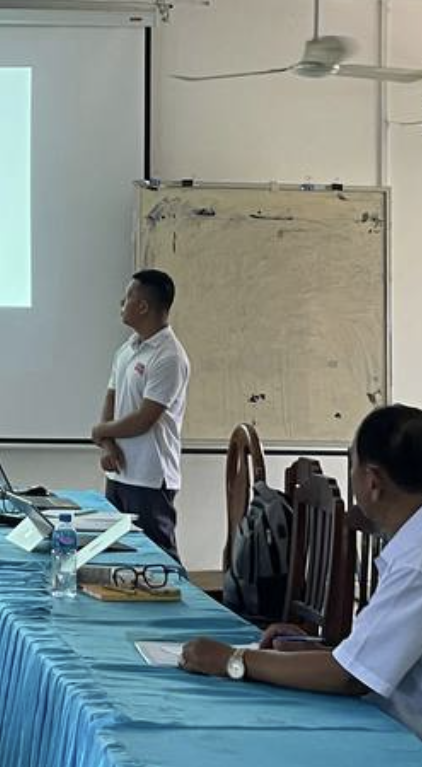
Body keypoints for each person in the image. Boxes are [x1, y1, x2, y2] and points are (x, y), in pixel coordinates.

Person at [180, 404, 422, 738]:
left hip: (401, 738)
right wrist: (318, 652)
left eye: (352, 464)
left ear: (372, 482)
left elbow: (349, 677)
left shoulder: (414, 564)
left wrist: (233, 660)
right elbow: (369, 659)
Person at [89, 269, 190, 559]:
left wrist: (101, 431)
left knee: (157, 558)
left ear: (143, 306)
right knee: (118, 554)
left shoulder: (169, 356)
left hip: (150, 476)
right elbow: (112, 397)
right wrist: (107, 444)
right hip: (120, 470)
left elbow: (145, 418)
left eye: (128, 296)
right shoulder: (127, 349)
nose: (122, 302)